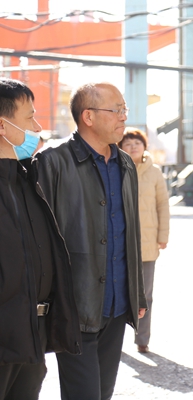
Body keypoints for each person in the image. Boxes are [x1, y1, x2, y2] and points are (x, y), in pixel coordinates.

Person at [34, 82, 147, 400]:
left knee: (103, 393)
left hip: (117, 304)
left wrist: (136, 292)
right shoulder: (52, 162)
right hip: (74, 306)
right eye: (117, 110)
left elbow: (131, 232)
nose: (124, 117)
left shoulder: (125, 163)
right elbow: (39, 239)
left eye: (124, 110)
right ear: (88, 116)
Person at [0, 78, 80, 400]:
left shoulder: (26, 179)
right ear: (2, 126)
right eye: (29, 117)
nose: (37, 127)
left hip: (32, 335)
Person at [118, 128, 170, 354]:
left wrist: (163, 236)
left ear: (144, 146)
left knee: (145, 295)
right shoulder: (115, 168)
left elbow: (163, 205)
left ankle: (142, 339)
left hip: (147, 243)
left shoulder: (155, 172)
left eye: (137, 143)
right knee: (118, 292)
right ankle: (114, 340)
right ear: (120, 147)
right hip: (120, 242)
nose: (133, 147)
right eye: (128, 144)